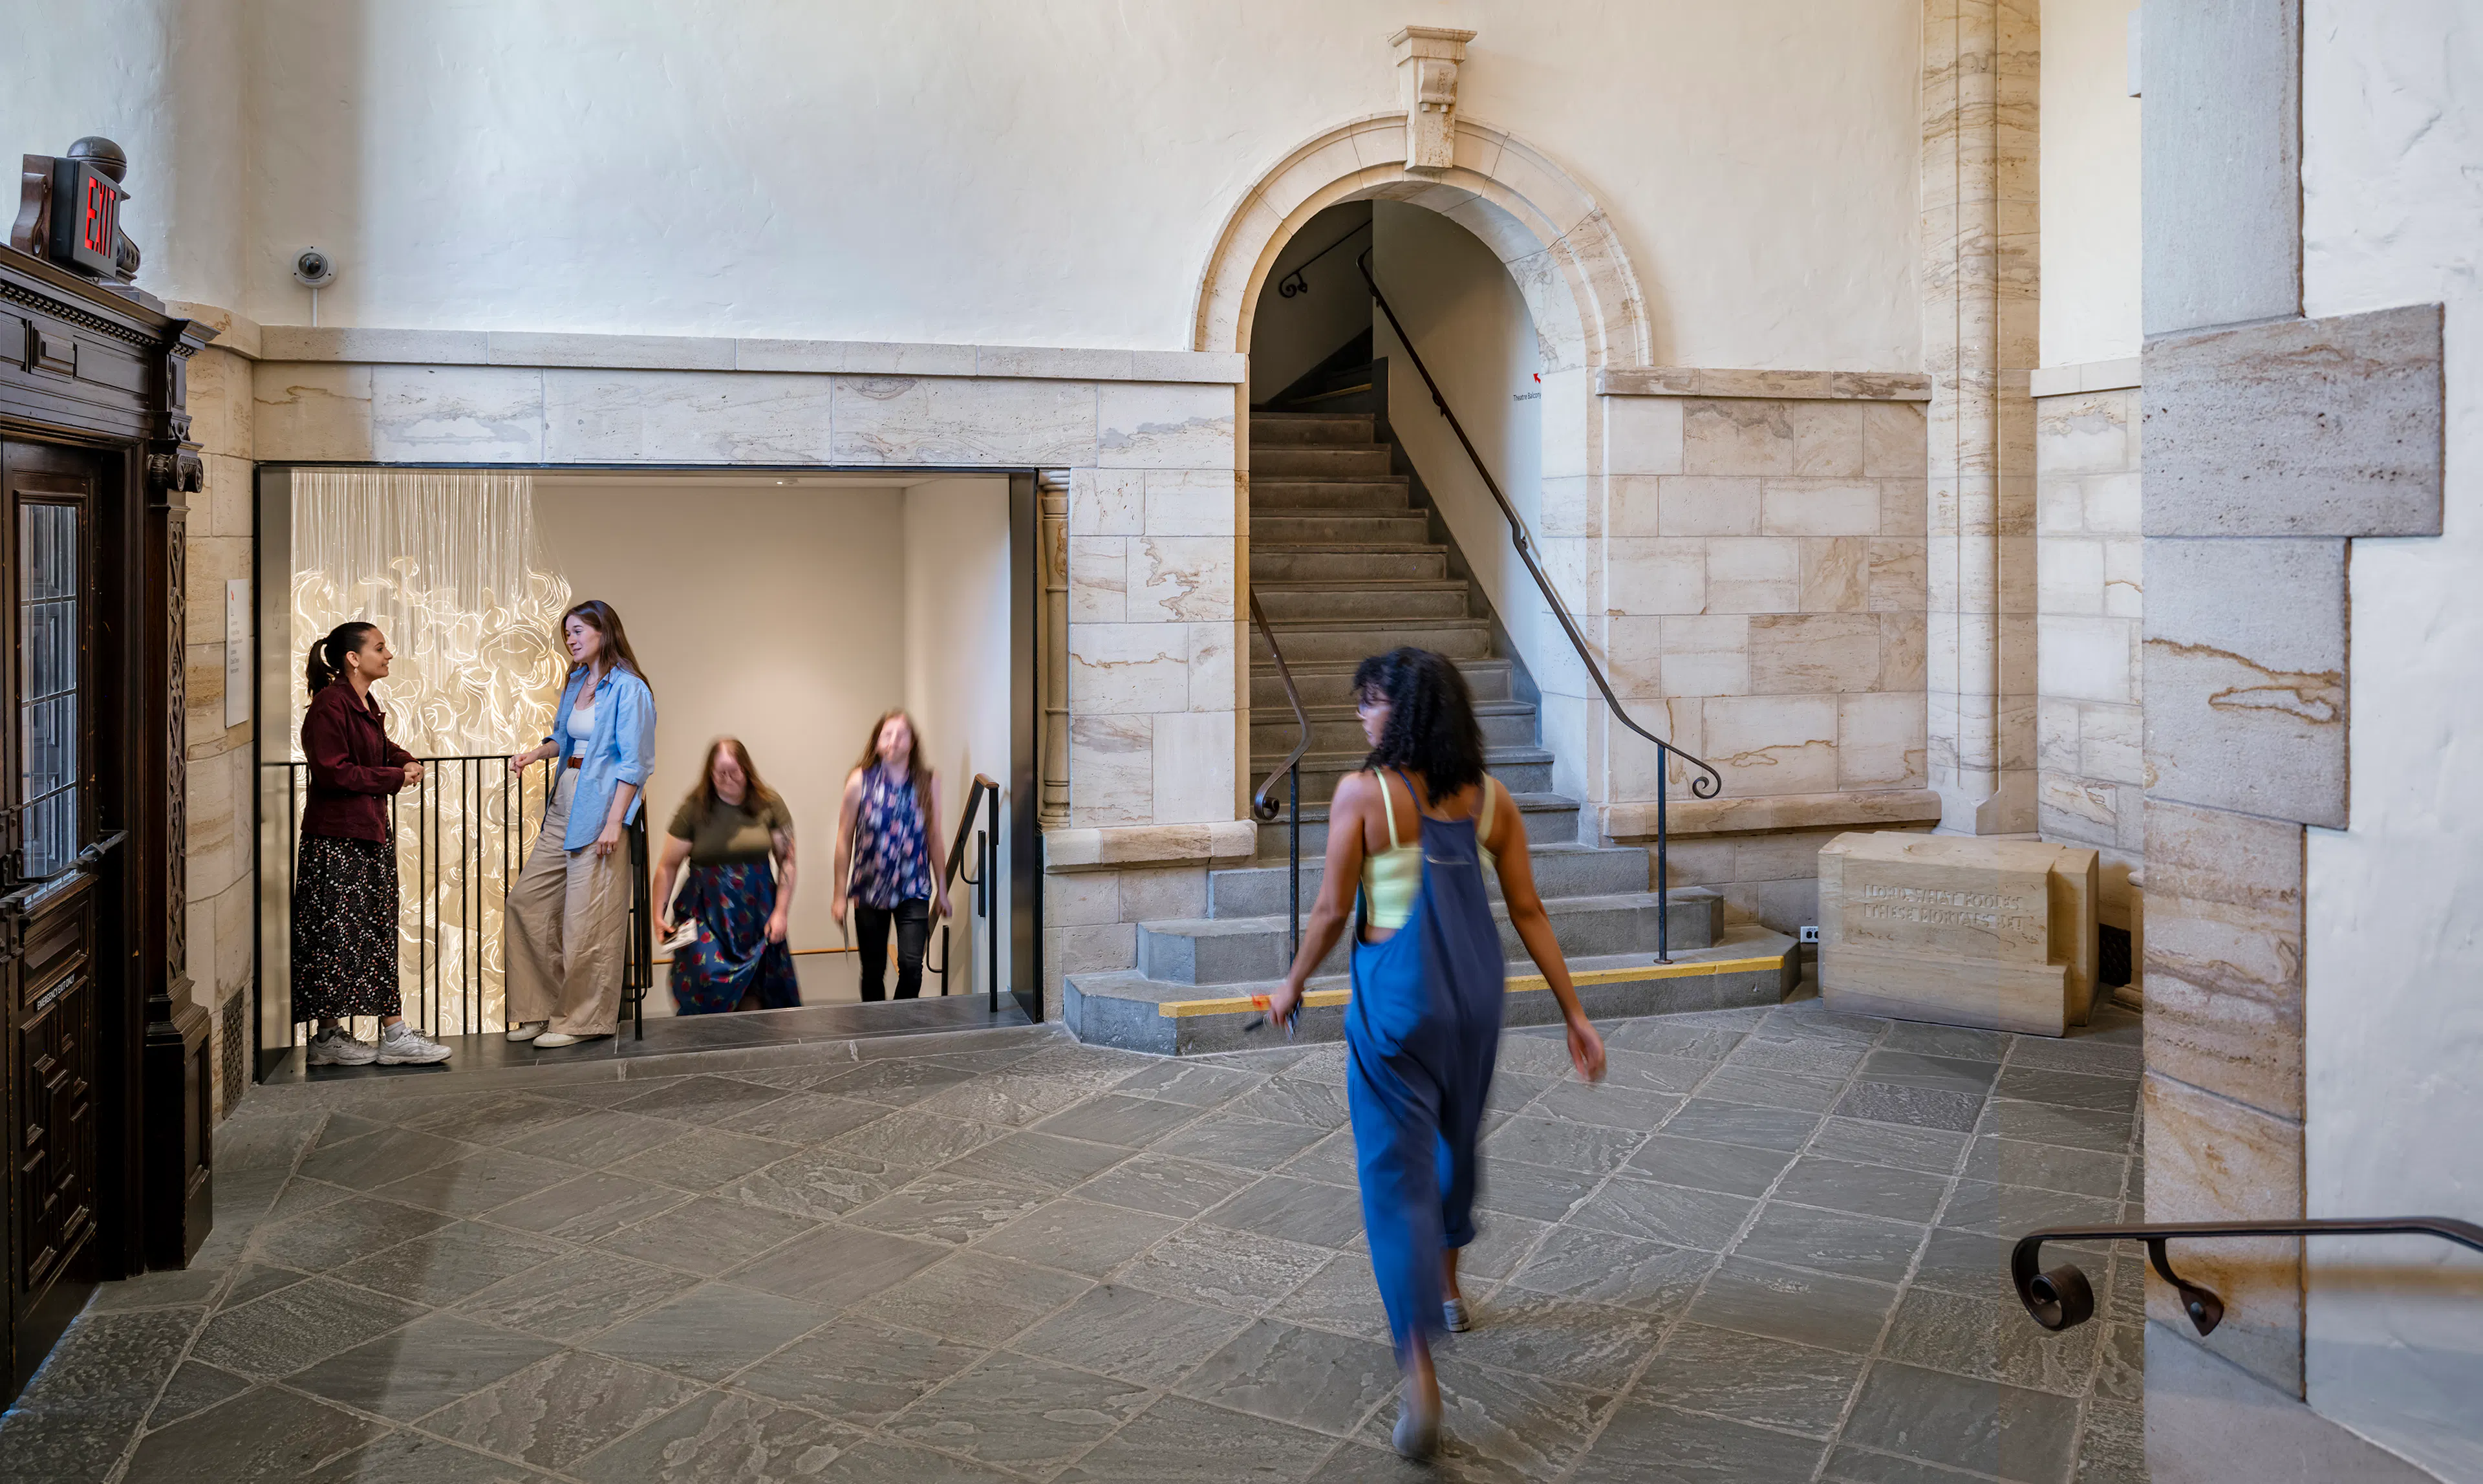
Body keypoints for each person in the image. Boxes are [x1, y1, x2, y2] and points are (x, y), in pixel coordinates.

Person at [1267, 647, 1607, 1461]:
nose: (1362, 715)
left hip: (1399, 1001)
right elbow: (1528, 910)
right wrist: (1574, 1013)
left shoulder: (1365, 794)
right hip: (1476, 997)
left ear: (1408, 709)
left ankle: (1420, 1371)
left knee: (1395, 1178)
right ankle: (1450, 1285)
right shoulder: (1491, 799)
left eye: (1372, 701)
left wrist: (1291, 984)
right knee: (1457, 1142)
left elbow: (1330, 911)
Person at [293, 622, 453, 1066]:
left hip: (364, 834)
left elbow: (377, 747)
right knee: (336, 935)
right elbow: (333, 772)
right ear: (353, 658)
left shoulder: (361, 701)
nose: (388, 655)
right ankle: (377, 1034)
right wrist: (393, 776)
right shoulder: (330, 705)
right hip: (337, 840)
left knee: (368, 930)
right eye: (379, 648)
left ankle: (342, 1036)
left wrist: (405, 761)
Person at [503, 599, 656, 1047]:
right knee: (526, 903)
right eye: (567, 632)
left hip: (603, 802)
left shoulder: (630, 689)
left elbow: (635, 763)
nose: (570, 639)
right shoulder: (577, 680)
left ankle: (580, 1020)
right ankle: (540, 1009)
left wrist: (614, 822)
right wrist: (537, 753)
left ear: (604, 632)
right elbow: (564, 736)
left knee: (587, 919)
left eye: (578, 631)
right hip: (566, 795)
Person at [654, 737, 801, 1014]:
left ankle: (751, 1036)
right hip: (705, 909)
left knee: (758, 987)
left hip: (757, 910)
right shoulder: (694, 807)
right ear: (710, 774)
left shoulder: (769, 803)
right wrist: (658, 915)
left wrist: (781, 913)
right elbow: (668, 866)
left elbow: (788, 862)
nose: (727, 779)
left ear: (746, 769)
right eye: (720, 773)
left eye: (734, 771)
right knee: (705, 973)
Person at [830, 710, 952, 1000]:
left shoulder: (928, 781)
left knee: (911, 967)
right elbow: (844, 839)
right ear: (877, 742)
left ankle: (899, 1021)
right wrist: (838, 895)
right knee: (873, 971)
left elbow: (935, 837)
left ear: (913, 742)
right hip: (870, 889)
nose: (894, 740)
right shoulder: (859, 781)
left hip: (914, 888)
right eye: (887, 734)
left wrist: (943, 890)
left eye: (902, 734)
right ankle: (876, 1025)